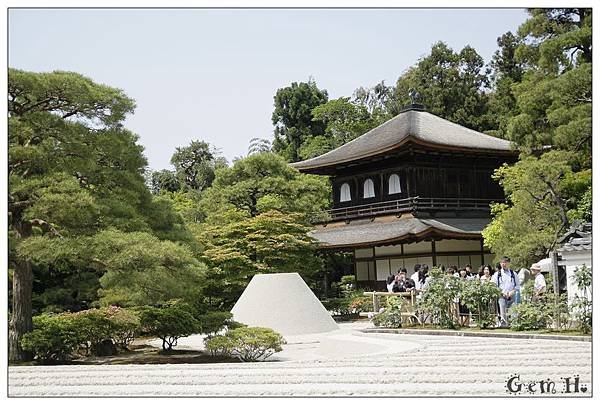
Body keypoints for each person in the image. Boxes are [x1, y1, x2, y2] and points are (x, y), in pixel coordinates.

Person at [490, 256, 520, 327]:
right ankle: (504, 325)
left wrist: (512, 292)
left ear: (509, 263)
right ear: (500, 264)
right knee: (503, 312)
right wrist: (502, 292)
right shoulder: (497, 274)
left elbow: (518, 286)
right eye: (502, 262)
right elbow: (493, 285)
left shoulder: (513, 274)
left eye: (505, 262)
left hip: (512, 296)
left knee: (513, 312)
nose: (504, 264)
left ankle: (514, 325)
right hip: (501, 296)